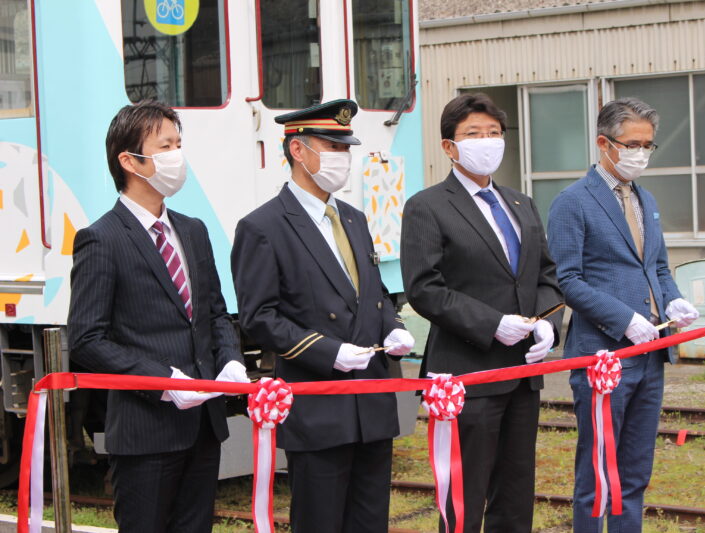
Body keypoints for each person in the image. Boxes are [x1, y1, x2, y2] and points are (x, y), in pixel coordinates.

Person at [231, 99, 415, 533]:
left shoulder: (352, 217)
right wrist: (329, 352)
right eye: (332, 147)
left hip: (371, 402)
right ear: (298, 151)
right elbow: (259, 317)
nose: (343, 158)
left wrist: (395, 328)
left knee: (370, 522)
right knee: (320, 522)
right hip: (319, 405)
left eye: (345, 148)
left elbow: (372, 293)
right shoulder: (264, 227)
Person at [68, 100, 248, 533]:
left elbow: (215, 313)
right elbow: (87, 339)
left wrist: (231, 361)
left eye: (179, 144)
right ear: (129, 161)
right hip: (146, 429)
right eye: (165, 146)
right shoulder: (101, 239)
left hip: (203, 426)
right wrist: (162, 381)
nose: (177, 156)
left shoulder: (192, 230)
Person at [401, 92, 563, 533]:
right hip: (465, 373)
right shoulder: (428, 206)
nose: (487, 141)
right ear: (448, 146)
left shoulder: (520, 203)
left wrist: (548, 324)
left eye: (494, 133)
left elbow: (545, 275)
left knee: (515, 490)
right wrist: (493, 324)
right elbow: (424, 288)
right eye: (474, 134)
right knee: (464, 494)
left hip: (523, 373)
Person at [546, 97, 700, 533]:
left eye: (649, 145)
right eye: (632, 144)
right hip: (603, 358)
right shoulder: (572, 202)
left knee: (634, 473)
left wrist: (671, 299)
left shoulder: (645, 198)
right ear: (603, 143)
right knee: (598, 474)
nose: (641, 154)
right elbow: (568, 280)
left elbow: (658, 266)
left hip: (651, 356)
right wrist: (624, 319)